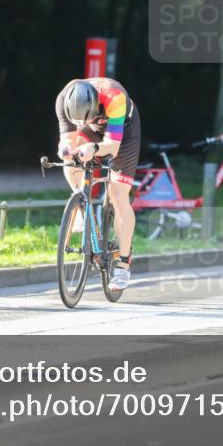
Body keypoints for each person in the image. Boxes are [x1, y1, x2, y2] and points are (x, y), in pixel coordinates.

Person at [55, 77, 141, 291]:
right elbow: (67, 139)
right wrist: (65, 149)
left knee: (117, 194)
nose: (81, 123)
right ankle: (83, 208)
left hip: (123, 132)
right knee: (70, 157)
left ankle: (123, 262)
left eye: (87, 117)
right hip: (92, 128)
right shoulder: (63, 99)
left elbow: (111, 147)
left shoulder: (114, 98)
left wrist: (94, 149)